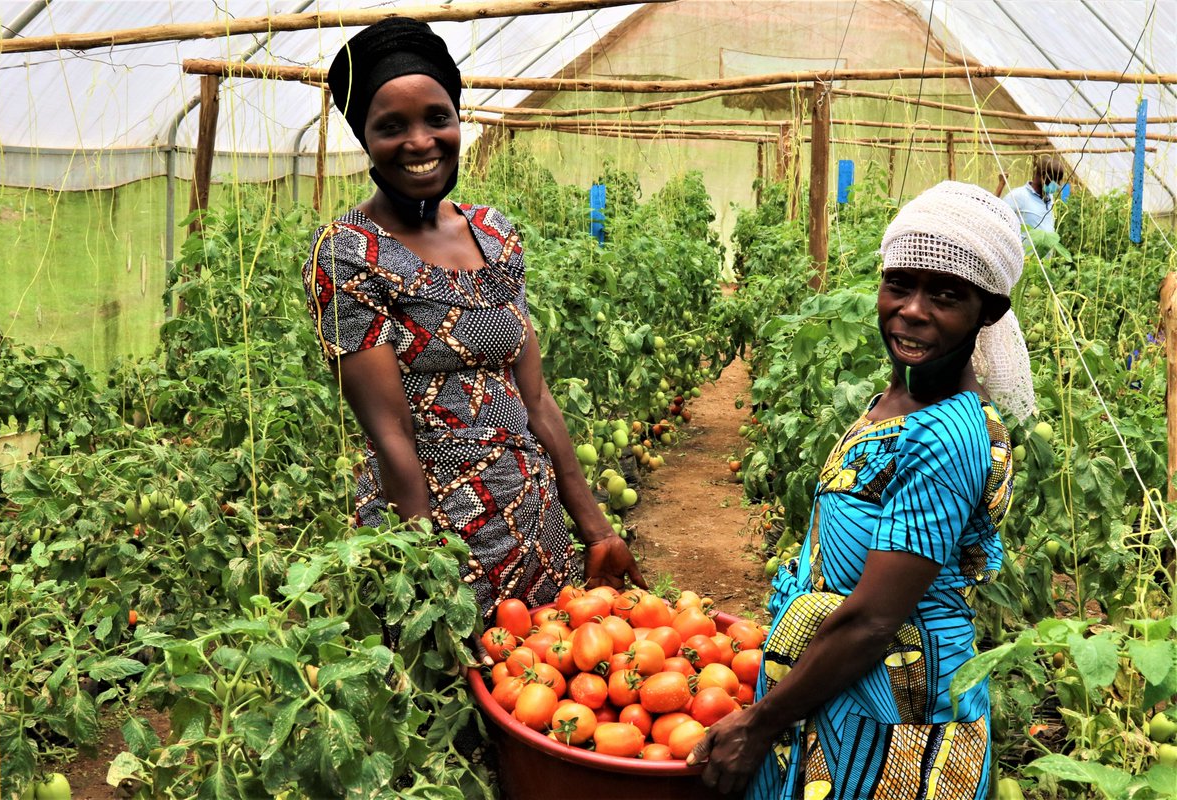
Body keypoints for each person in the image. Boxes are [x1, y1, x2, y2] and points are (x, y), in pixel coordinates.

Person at [690, 181, 1035, 799]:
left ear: (990, 312)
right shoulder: (897, 397)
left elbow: (875, 620)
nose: (912, 310)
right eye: (899, 284)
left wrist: (760, 724)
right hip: (837, 690)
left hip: (896, 718)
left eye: (947, 295)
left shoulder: (947, 432)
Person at [302, 18, 645, 620]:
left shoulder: (494, 234)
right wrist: (433, 580)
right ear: (365, 139)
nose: (420, 141)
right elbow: (390, 434)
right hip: (434, 535)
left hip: (537, 528)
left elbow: (535, 399)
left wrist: (594, 527)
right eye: (391, 127)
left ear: (458, 120)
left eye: (437, 118)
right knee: (454, 704)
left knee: (552, 688)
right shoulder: (346, 252)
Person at [1003, 156, 1066, 247]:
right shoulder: (1018, 196)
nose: (1058, 185)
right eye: (1055, 180)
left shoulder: (1050, 198)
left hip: (1044, 260)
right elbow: (998, 220)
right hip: (1026, 259)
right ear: (1043, 176)